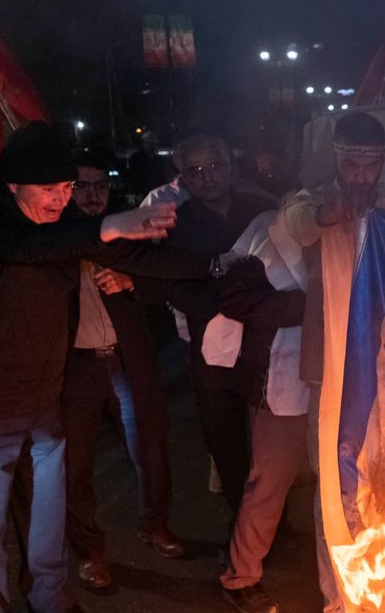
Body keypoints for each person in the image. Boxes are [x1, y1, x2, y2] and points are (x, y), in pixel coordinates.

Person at [0, 123, 216, 613]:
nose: (61, 201)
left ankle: (50, 599)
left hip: (42, 397)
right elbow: (18, 246)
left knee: (46, 516)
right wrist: (108, 226)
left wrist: (217, 264)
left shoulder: (61, 224)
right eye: (49, 190)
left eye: (67, 189)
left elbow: (129, 251)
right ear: (13, 183)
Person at [281, 112, 385, 613]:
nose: (361, 174)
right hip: (330, 370)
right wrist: (338, 211)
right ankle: (339, 596)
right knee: (333, 478)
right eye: (351, 162)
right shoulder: (308, 202)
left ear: (383, 161)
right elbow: (303, 225)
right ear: (335, 157)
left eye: (371, 163)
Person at [61, 152, 184, 592]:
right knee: (75, 465)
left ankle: (155, 524)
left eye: (100, 186)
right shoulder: (58, 233)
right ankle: (90, 552)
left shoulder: (126, 230)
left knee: (149, 445)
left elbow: (166, 278)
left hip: (128, 359)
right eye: (82, 186)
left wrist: (132, 282)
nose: (92, 195)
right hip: (76, 367)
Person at [151, 135, 280, 517]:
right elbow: (175, 286)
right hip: (211, 349)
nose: (207, 178)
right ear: (185, 179)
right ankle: (241, 526)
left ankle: (273, 525)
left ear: (231, 166)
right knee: (225, 442)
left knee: (270, 441)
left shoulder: (263, 209)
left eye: (214, 167)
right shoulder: (176, 225)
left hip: (267, 344)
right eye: (196, 171)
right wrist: (230, 304)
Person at [205, 211, 310, 613]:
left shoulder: (365, 226)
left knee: (345, 483)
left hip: (344, 379)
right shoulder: (269, 233)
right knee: (268, 484)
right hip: (284, 378)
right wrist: (316, 302)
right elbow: (237, 299)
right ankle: (240, 577)